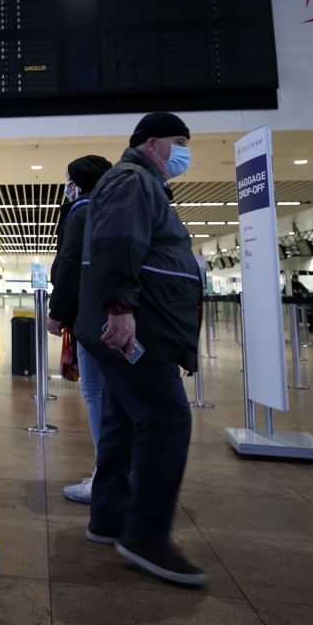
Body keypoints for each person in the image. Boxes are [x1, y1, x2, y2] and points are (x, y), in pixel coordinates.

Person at [78, 111, 207, 586]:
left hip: (137, 322)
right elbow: (117, 243)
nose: (185, 152)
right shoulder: (133, 178)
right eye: (179, 141)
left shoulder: (139, 181)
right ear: (153, 143)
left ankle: (109, 519)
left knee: (124, 419)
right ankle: (148, 536)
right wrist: (120, 307)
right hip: (138, 326)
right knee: (166, 418)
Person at [46, 155, 113, 504]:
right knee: (113, 399)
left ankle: (107, 477)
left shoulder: (82, 211)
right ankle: (120, 473)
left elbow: (70, 262)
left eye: (68, 179)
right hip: (118, 315)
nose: (66, 186)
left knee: (96, 395)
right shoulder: (114, 207)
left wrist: (57, 311)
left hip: (91, 316)